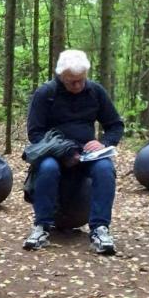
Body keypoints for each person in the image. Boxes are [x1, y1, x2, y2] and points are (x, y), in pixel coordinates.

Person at [23, 49, 124, 255]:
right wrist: (64, 152)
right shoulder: (46, 94)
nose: (77, 85)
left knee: (105, 169)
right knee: (47, 168)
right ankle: (41, 226)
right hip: (54, 153)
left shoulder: (96, 91)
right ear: (61, 76)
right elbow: (35, 134)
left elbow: (115, 125)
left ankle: (100, 229)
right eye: (71, 82)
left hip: (88, 155)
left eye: (80, 80)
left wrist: (103, 143)